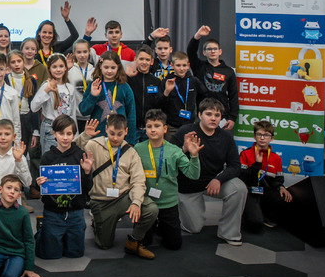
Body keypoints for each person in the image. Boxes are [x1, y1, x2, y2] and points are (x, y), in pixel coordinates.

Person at [76, 115, 157, 259]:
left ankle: (134, 241)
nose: (115, 138)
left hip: (122, 198)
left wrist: (136, 202)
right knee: (104, 244)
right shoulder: (94, 145)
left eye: (119, 134)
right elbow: (71, 150)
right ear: (106, 129)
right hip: (101, 201)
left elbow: (138, 180)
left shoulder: (131, 152)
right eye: (112, 133)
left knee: (151, 209)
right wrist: (84, 136)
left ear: (126, 132)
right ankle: (97, 222)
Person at [172, 98, 247, 245]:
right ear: (200, 115)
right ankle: (180, 210)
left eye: (217, 115)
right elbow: (167, 159)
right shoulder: (186, 131)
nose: (213, 118)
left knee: (239, 189)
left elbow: (235, 166)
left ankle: (229, 233)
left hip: (213, 183)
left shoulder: (226, 137)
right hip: (188, 187)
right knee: (193, 228)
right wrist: (184, 149)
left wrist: (219, 179)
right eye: (209, 114)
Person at [133, 110, 201, 250]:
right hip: (147, 203)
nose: (153, 130)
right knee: (144, 242)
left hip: (168, 204)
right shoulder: (138, 149)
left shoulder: (174, 151)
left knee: (174, 245)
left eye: (157, 126)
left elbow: (193, 175)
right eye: (149, 126)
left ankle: (161, 226)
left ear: (165, 129)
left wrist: (194, 156)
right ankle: (153, 225)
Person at [35, 116, 93, 259]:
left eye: (69, 134)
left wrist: (87, 172)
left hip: (75, 213)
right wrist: (40, 183)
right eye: (61, 133)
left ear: (74, 135)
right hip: (53, 213)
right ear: (54, 134)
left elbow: (87, 188)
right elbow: (43, 189)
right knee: (50, 255)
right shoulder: (47, 157)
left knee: (75, 254)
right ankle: (42, 232)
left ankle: (64, 237)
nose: (65, 138)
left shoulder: (80, 155)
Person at [239, 120, 292, 230]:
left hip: (265, 192)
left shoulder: (276, 158)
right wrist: (257, 164)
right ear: (254, 137)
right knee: (255, 224)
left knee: (284, 197)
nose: (262, 138)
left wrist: (281, 187)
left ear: (271, 138)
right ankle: (249, 214)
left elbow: (278, 179)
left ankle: (265, 214)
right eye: (259, 134)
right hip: (250, 192)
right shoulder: (245, 154)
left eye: (266, 135)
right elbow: (242, 178)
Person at [79, 51, 138, 143]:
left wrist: (130, 141)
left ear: (118, 67)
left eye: (113, 67)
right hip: (97, 137)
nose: (109, 71)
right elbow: (84, 111)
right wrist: (93, 96)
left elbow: (131, 115)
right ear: (100, 66)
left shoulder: (124, 87)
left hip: (119, 138)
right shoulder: (94, 85)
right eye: (106, 67)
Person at [187, 25, 238, 130]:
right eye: (209, 49)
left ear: (220, 51)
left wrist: (232, 118)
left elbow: (233, 96)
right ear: (204, 52)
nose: (213, 51)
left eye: (215, 49)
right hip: (202, 114)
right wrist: (198, 36)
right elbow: (191, 51)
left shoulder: (229, 71)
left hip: (222, 116)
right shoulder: (199, 67)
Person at [30, 53, 78, 151]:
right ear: (49, 69)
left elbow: (72, 113)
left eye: (61, 66)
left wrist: (75, 134)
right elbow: (34, 107)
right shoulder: (46, 86)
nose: (58, 69)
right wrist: (47, 90)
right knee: (51, 157)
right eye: (54, 67)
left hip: (67, 126)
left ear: (65, 68)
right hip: (50, 127)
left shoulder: (70, 87)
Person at [162, 52, 207, 137]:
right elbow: (159, 103)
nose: (181, 69)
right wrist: (167, 92)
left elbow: (204, 97)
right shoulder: (167, 81)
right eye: (178, 65)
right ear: (172, 65)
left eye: (184, 65)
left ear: (188, 66)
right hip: (172, 127)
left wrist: (199, 113)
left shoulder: (194, 81)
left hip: (190, 126)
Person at [128, 45, 166, 142]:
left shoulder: (157, 82)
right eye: (141, 59)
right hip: (133, 127)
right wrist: (126, 76)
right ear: (135, 59)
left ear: (152, 62)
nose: (144, 62)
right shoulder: (129, 79)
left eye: (147, 60)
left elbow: (160, 104)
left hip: (150, 128)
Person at [67, 39, 96, 131]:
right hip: (74, 116)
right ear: (74, 53)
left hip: (91, 116)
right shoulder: (70, 70)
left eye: (85, 52)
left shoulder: (94, 71)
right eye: (79, 52)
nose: (82, 55)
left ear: (89, 52)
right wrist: (66, 70)